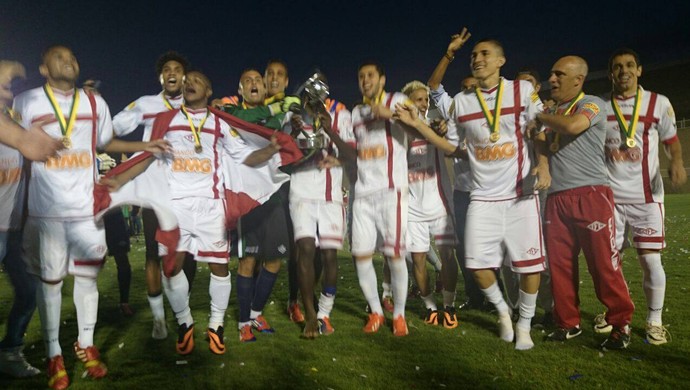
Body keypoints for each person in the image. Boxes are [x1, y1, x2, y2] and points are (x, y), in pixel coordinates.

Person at [13, 45, 168, 389]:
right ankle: (54, 352)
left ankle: (86, 343)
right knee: (50, 283)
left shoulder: (95, 102)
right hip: (45, 211)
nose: (68, 61)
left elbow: (105, 143)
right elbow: (14, 146)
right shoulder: (26, 102)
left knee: (87, 280)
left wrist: (145, 147)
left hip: (86, 210)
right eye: (59, 57)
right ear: (43, 67)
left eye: (72, 57)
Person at [396, 36, 548, 350]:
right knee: (477, 266)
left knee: (529, 266)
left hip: (520, 194)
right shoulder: (462, 103)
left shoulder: (522, 92)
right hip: (482, 196)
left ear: (501, 61)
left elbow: (540, 131)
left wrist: (543, 164)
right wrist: (418, 126)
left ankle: (524, 323)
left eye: (485, 54)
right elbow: (453, 148)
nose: (477, 59)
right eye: (474, 55)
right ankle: (503, 310)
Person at [536, 55, 636, 350]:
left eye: (559, 74)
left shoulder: (591, 103)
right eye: (551, 74)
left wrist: (540, 116)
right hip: (556, 197)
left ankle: (620, 323)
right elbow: (539, 139)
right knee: (560, 266)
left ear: (578, 79)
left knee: (603, 265)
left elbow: (574, 126)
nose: (551, 79)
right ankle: (568, 323)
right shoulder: (553, 109)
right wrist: (542, 164)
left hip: (591, 194)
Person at [599, 48, 686, 345]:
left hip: (647, 198)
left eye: (629, 65)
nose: (623, 70)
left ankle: (654, 320)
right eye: (617, 66)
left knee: (650, 261)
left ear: (639, 70)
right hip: (609, 200)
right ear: (611, 73)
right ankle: (614, 313)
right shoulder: (600, 108)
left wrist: (675, 162)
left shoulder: (657, 103)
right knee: (611, 262)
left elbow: (671, 141)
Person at [112, 51, 194, 339]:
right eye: (167, 70)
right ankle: (159, 319)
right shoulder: (147, 104)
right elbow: (116, 125)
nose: (172, 73)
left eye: (178, 69)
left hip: (186, 191)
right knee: (153, 254)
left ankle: (181, 312)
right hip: (155, 191)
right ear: (161, 77)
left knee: (186, 256)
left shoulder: (195, 107)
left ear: (185, 76)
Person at [339, 62, 412, 336]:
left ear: (382, 79)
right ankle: (376, 311)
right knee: (361, 255)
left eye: (370, 75)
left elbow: (418, 128)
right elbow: (352, 151)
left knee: (394, 256)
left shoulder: (398, 100)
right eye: (360, 76)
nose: (365, 80)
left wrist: (392, 115)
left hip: (392, 191)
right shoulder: (356, 113)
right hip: (363, 193)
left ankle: (400, 315)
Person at [287, 88, 352, 338]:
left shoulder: (341, 115)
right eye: (308, 95)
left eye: (318, 94)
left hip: (330, 197)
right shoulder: (293, 117)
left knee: (329, 257)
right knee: (304, 250)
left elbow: (351, 154)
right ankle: (311, 317)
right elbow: (282, 157)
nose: (313, 100)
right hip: (301, 194)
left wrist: (330, 130)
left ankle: (325, 311)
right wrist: (292, 133)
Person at [401, 80, 458, 328]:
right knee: (418, 259)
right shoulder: (399, 130)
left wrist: (442, 130)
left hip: (439, 203)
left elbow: (449, 149)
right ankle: (430, 307)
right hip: (412, 206)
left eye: (426, 99)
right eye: (418, 100)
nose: (424, 104)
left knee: (447, 255)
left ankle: (449, 306)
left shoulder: (436, 125)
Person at [0, 59, 41, 379]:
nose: (9, 87)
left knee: (28, 292)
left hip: (12, 230)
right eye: (4, 81)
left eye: (11, 84)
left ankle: (10, 352)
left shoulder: (15, 124)